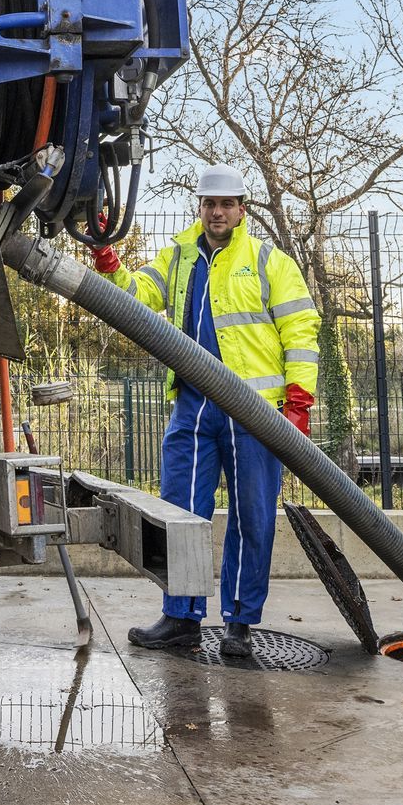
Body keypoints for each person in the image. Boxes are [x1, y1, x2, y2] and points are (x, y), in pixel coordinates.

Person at [91, 165, 321, 656]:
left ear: (241, 209)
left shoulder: (268, 261)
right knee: (179, 514)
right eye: (209, 204)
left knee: (251, 518)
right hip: (193, 408)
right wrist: (107, 257)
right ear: (200, 207)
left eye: (226, 204)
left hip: (254, 413)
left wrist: (299, 402)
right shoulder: (178, 257)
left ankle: (239, 624)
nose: (217, 212)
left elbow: (301, 330)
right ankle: (181, 617)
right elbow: (135, 296)